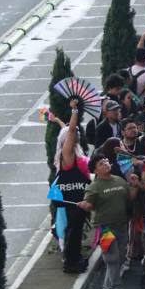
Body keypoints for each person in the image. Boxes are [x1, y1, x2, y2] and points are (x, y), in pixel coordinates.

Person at [79, 152, 141, 289]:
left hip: (122, 225)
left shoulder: (119, 180)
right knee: (112, 258)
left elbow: (130, 197)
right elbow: (88, 204)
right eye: (101, 163)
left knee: (119, 257)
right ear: (95, 170)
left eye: (106, 160)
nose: (106, 163)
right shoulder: (94, 187)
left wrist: (134, 186)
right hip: (105, 228)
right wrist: (85, 205)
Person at [53, 98, 90, 274]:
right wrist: (75, 110)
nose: (75, 136)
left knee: (75, 229)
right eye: (71, 136)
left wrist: (58, 120)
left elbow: (66, 130)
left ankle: (74, 258)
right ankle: (71, 262)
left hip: (76, 197)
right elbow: (71, 130)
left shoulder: (73, 151)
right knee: (74, 231)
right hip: (73, 200)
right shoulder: (67, 154)